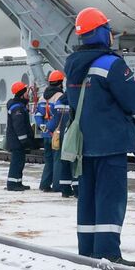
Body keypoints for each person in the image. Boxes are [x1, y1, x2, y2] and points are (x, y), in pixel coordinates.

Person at [65, 7, 135, 263]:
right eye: (108, 29)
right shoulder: (111, 64)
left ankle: (88, 250)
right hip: (110, 143)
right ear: (101, 33)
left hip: (84, 144)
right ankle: (108, 252)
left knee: (87, 198)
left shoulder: (72, 66)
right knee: (110, 199)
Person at [48, 70, 76, 198]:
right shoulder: (74, 97)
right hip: (73, 133)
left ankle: (65, 188)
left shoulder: (60, 99)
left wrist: (50, 130)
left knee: (63, 160)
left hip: (61, 133)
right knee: (75, 161)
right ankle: (77, 188)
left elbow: (54, 117)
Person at [3, 80, 34, 192]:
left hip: (16, 140)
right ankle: (12, 184)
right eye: (26, 92)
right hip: (17, 141)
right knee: (17, 162)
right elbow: (19, 126)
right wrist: (24, 140)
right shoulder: (17, 108)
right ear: (21, 93)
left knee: (19, 162)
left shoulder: (18, 105)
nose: (27, 94)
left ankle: (17, 182)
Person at [36, 72, 62, 192]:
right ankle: (57, 185)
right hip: (55, 134)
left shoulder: (43, 96)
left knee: (48, 160)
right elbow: (58, 116)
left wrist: (44, 128)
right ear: (60, 82)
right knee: (57, 160)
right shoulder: (59, 96)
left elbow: (38, 115)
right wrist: (51, 129)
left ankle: (44, 184)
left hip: (45, 134)